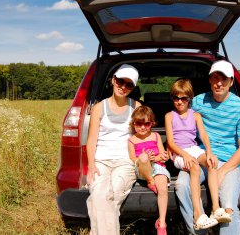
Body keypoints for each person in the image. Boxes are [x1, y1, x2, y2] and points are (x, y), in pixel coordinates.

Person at [175, 60, 240, 235]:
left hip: (229, 162)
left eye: (224, 79)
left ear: (231, 82)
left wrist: (222, 171)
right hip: (201, 157)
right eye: (215, 78)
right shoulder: (197, 102)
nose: (219, 83)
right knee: (181, 186)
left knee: (228, 207)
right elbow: (178, 119)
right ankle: (199, 229)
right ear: (210, 80)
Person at [165, 79, 231, 231]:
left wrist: (209, 152)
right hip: (178, 152)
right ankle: (198, 215)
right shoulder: (169, 116)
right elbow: (170, 142)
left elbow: (204, 135)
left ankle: (216, 209)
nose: (179, 102)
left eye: (183, 98)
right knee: (194, 167)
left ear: (189, 99)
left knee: (211, 163)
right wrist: (185, 156)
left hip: (193, 148)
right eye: (176, 98)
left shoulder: (195, 115)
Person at [86, 64, 141, 235]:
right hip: (101, 161)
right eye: (120, 81)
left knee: (104, 197)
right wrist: (91, 166)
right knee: (100, 195)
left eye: (128, 84)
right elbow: (91, 140)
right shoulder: (98, 108)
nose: (123, 87)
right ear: (112, 80)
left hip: (125, 162)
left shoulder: (137, 107)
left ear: (133, 88)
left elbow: (142, 137)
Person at [128, 105, 170, 235]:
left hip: (157, 167)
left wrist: (159, 157)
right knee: (143, 156)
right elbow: (133, 158)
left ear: (152, 123)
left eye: (146, 124)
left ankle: (162, 223)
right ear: (133, 123)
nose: (142, 127)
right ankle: (150, 181)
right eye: (139, 123)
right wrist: (145, 159)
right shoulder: (132, 140)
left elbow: (163, 157)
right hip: (142, 170)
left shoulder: (156, 136)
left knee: (163, 188)